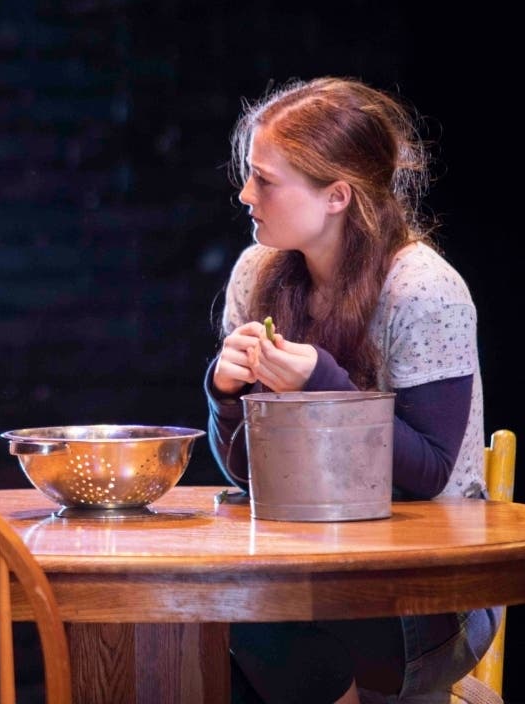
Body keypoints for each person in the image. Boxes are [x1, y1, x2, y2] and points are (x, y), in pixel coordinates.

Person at [205, 77, 497, 703]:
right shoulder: (257, 272)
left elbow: (430, 474)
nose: (245, 193)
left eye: (265, 179)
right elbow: (246, 475)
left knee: (263, 633)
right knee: (200, 626)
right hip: (304, 574)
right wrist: (226, 395)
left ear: (336, 195)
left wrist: (324, 389)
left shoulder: (420, 288)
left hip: (428, 589)